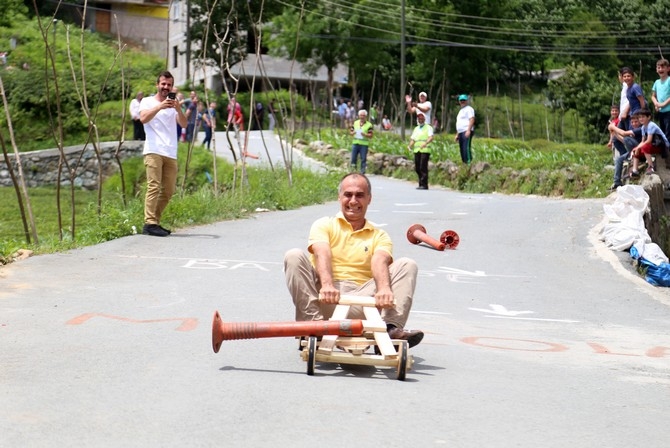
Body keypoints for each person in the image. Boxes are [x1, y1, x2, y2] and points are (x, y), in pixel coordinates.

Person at [283, 173, 424, 348]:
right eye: (348, 195)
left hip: (363, 303)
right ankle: (314, 325)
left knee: (407, 264)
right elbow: (322, 251)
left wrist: (384, 289)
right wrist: (327, 284)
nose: (353, 201)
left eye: (360, 195)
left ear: (369, 199)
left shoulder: (379, 235)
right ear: (339, 197)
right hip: (326, 299)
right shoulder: (324, 224)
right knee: (293, 255)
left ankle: (389, 330)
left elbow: (379, 260)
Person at [139, 70, 187, 237]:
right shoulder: (146, 101)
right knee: (154, 186)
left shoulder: (174, 106)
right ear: (157, 85)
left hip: (170, 151)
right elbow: (143, 118)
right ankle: (150, 222)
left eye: (169, 85)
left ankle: (154, 223)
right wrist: (160, 106)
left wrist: (179, 109)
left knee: (168, 190)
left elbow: (184, 124)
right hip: (153, 150)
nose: (166, 87)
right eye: (163, 84)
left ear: (172, 87)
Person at [626, 108, 669, 177]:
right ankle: (635, 171)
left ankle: (651, 166)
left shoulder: (651, 125)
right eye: (639, 117)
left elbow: (648, 140)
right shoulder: (643, 127)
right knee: (635, 149)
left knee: (644, 147)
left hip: (662, 145)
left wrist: (638, 148)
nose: (641, 119)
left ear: (649, 117)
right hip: (654, 144)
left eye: (643, 117)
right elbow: (643, 141)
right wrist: (636, 148)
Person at [609, 112, 642, 190]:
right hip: (632, 151)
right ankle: (617, 182)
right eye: (632, 122)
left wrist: (613, 127)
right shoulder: (633, 129)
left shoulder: (640, 129)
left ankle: (631, 158)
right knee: (619, 159)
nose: (634, 124)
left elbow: (624, 134)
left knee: (627, 138)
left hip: (640, 152)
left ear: (640, 122)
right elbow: (624, 141)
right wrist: (614, 133)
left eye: (636, 122)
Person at [407, 111, 434, 190]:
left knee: (423, 167)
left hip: (425, 150)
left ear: (424, 119)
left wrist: (425, 143)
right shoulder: (416, 128)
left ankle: (424, 184)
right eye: (419, 118)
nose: (420, 120)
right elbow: (413, 139)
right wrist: (410, 146)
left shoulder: (428, 127)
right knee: (417, 167)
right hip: (417, 150)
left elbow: (431, 137)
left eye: (421, 118)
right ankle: (420, 182)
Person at [349, 109, 374, 174]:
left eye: (363, 115)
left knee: (363, 158)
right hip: (355, 143)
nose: (362, 117)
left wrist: (365, 134)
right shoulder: (355, 123)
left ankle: (362, 171)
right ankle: (353, 170)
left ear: (366, 116)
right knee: (353, 158)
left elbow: (371, 135)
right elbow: (350, 132)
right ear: (359, 116)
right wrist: (353, 132)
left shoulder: (369, 125)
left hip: (364, 144)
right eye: (361, 115)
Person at [651, 58, 670, 140]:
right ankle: (665, 151)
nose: (660, 69)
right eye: (658, 67)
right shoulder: (656, 82)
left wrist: (663, 104)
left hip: (669, 111)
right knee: (662, 132)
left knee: (668, 132)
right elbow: (653, 96)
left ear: (668, 68)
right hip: (661, 112)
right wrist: (656, 104)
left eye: (663, 67)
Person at [454, 94, 475, 164]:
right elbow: (459, 123)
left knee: (466, 148)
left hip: (466, 130)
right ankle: (464, 163)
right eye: (461, 100)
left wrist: (468, 130)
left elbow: (472, 119)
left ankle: (469, 163)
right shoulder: (460, 111)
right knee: (462, 149)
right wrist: (457, 134)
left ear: (466, 101)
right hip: (460, 132)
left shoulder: (469, 109)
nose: (462, 102)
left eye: (464, 100)